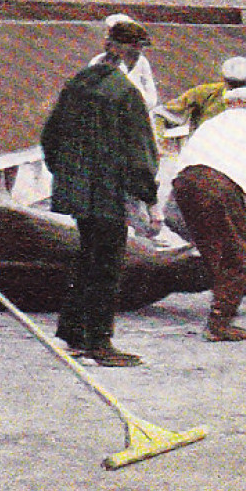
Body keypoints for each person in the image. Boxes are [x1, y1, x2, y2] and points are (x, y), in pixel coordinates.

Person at [40, 19, 162, 367]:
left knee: (86, 256)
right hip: (109, 190)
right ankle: (99, 342)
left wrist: (67, 175)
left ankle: (73, 332)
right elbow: (142, 154)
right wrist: (148, 199)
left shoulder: (78, 82)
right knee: (107, 264)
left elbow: (50, 138)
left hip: (78, 189)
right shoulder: (126, 91)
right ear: (133, 51)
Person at [170, 85, 246, 342]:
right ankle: (220, 322)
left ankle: (226, 301)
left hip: (184, 183)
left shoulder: (211, 124)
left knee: (212, 247)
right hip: (219, 186)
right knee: (235, 253)